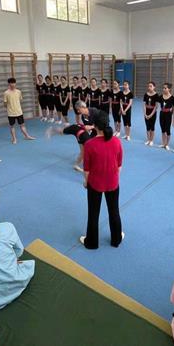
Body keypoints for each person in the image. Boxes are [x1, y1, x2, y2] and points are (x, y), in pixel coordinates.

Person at [81, 110, 124, 249]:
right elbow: (119, 166)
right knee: (114, 211)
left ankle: (91, 242)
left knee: (93, 213)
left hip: (95, 183)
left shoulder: (90, 144)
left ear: (94, 125)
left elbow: (86, 169)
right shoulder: (116, 141)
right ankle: (116, 239)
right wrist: (113, 178)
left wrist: (86, 182)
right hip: (113, 183)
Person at [46, 101, 98, 173]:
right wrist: (89, 128)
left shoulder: (94, 112)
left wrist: (91, 127)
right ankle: (52, 129)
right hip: (77, 129)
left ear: (83, 107)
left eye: (78, 109)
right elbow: (87, 127)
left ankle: (76, 165)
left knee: (84, 151)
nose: (78, 111)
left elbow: (99, 124)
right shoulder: (83, 116)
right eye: (77, 110)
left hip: (84, 133)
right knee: (62, 132)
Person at [3, 78, 35, 144]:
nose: (13, 84)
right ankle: (14, 139)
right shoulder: (6, 93)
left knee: (22, 125)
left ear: (15, 83)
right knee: (12, 126)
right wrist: (10, 108)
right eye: (11, 83)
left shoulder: (19, 91)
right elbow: (5, 104)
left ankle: (27, 136)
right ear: (9, 84)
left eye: (14, 83)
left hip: (19, 112)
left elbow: (20, 100)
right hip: (11, 113)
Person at [158, 83, 174, 150]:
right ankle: (163, 143)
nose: (164, 89)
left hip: (168, 114)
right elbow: (158, 104)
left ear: (169, 89)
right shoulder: (161, 96)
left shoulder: (172, 98)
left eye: (165, 88)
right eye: (163, 88)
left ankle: (167, 144)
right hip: (162, 114)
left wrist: (172, 112)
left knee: (167, 130)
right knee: (163, 129)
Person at [143, 81, 160, 146]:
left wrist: (151, 115)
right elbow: (144, 105)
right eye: (148, 86)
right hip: (146, 111)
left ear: (154, 87)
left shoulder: (156, 95)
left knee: (152, 127)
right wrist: (145, 113)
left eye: (151, 86)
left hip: (153, 112)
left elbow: (156, 106)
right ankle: (148, 139)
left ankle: (151, 140)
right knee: (147, 126)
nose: (149, 87)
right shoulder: (146, 94)